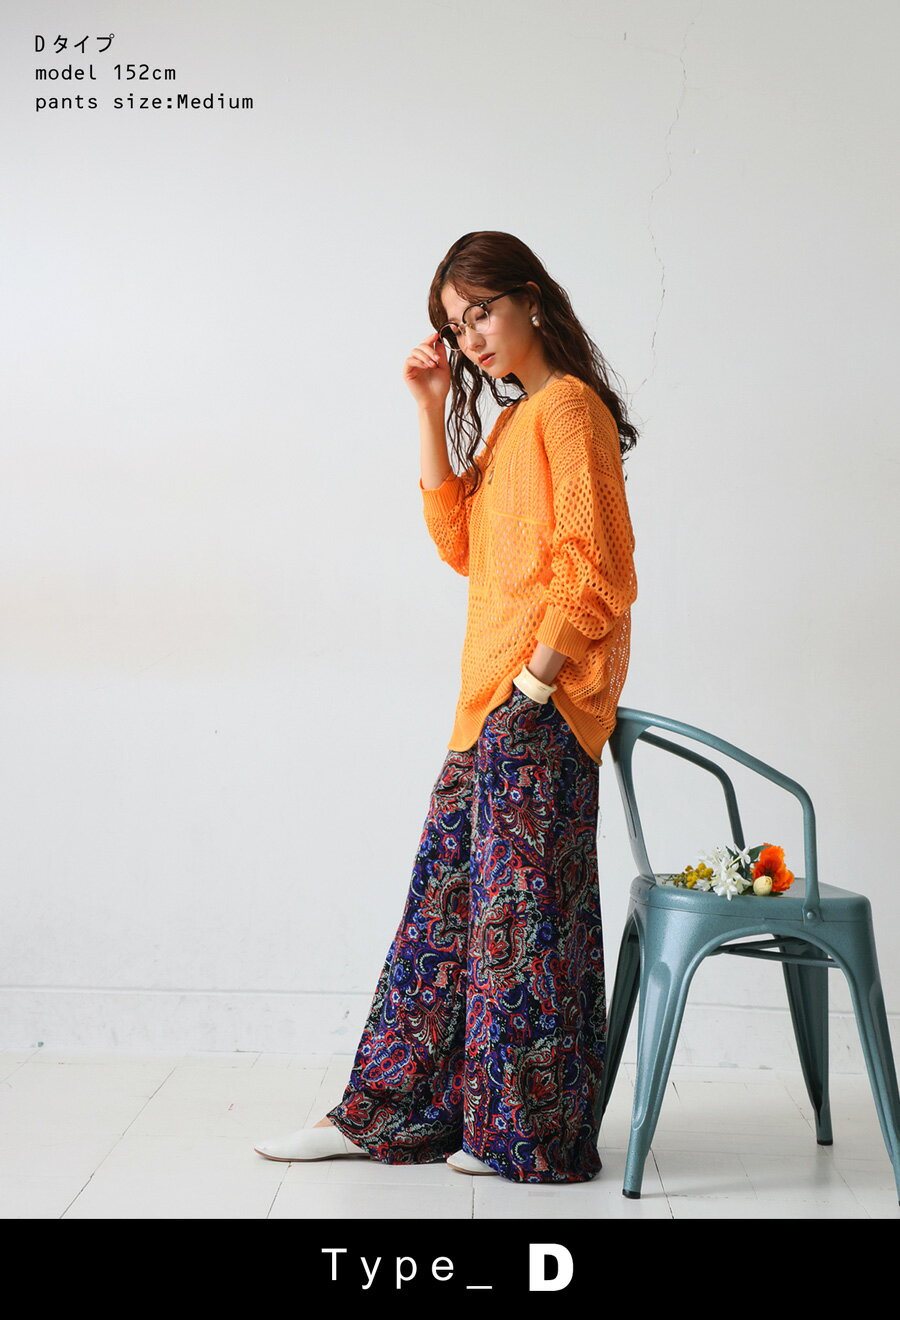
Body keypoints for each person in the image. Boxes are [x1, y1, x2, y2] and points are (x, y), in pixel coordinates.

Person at [254, 231, 638, 1183]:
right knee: (446, 923)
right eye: (456, 324)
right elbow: (460, 542)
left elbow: (598, 568)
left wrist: (536, 686)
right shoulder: (514, 423)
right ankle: (390, 1114)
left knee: (524, 932)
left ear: (531, 299)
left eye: (482, 312)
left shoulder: (568, 410)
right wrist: (429, 407)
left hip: (540, 708)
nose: (470, 337)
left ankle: (523, 1138)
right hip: (491, 711)